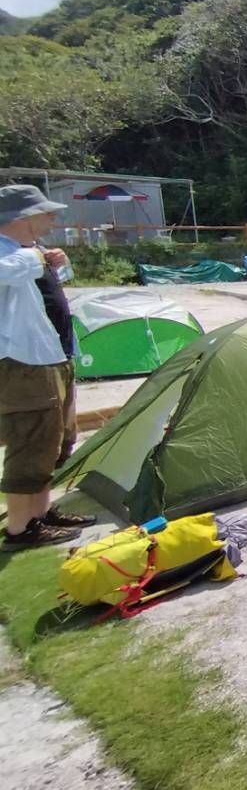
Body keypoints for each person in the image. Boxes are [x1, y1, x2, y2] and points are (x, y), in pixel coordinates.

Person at [0, 184, 93, 550]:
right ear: (22, 218)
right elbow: (8, 273)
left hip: (51, 357)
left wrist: (54, 263)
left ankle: (40, 513)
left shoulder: (27, 251)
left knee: (52, 441)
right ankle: (20, 530)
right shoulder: (13, 255)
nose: (52, 218)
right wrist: (36, 258)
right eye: (46, 213)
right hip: (23, 364)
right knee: (30, 440)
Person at [35, 261, 78, 468]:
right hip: (42, 355)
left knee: (66, 418)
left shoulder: (42, 253)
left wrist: (63, 261)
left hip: (64, 350)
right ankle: (44, 470)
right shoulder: (13, 256)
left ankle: (63, 463)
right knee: (48, 422)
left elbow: (67, 275)